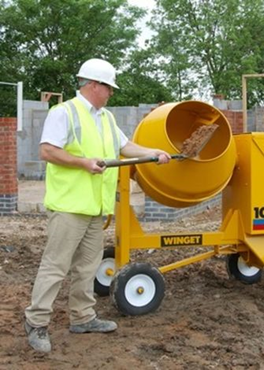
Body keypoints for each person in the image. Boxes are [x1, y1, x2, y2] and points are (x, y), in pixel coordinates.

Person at [24, 58, 171, 353]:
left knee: (87, 267)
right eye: (108, 87)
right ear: (93, 85)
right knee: (56, 265)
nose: (111, 93)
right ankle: (37, 322)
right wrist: (82, 163)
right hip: (68, 206)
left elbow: (124, 146)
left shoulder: (105, 118)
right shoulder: (64, 112)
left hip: (95, 208)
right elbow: (47, 150)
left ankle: (83, 317)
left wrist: (153, 152)